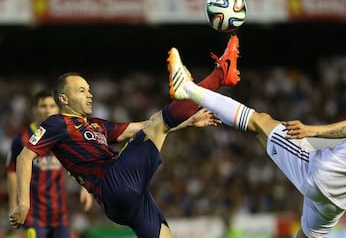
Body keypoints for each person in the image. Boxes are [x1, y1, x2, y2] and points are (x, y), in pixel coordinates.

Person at [166, 31, 346, 238]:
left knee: (260, 122)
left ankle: (187, 88)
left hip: (322, 176)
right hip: (341, 201)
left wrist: (310, 130)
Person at [9, 35, 240, 238]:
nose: (89, 95)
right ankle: (219, 75)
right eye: (81, 91)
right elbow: (24, 157)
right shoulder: (58, 123)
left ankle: (204, 83)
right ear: (64, 98)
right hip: (113, 185)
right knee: (159, 122)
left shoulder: (97, 125)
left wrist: (187, 122)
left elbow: (144, 127)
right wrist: (23, 203)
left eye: (89, 90)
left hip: (128, 200)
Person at [6, 90, 94, 238]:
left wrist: (85, 188)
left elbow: (79, 162)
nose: (48, 110)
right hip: (34, 216)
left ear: (58, 109)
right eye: (43, 106)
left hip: (60, 216)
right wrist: (13, 205)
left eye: (52, 106)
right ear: (34, 109)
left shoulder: (65, 136)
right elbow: (12, 172)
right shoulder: (21, 140)